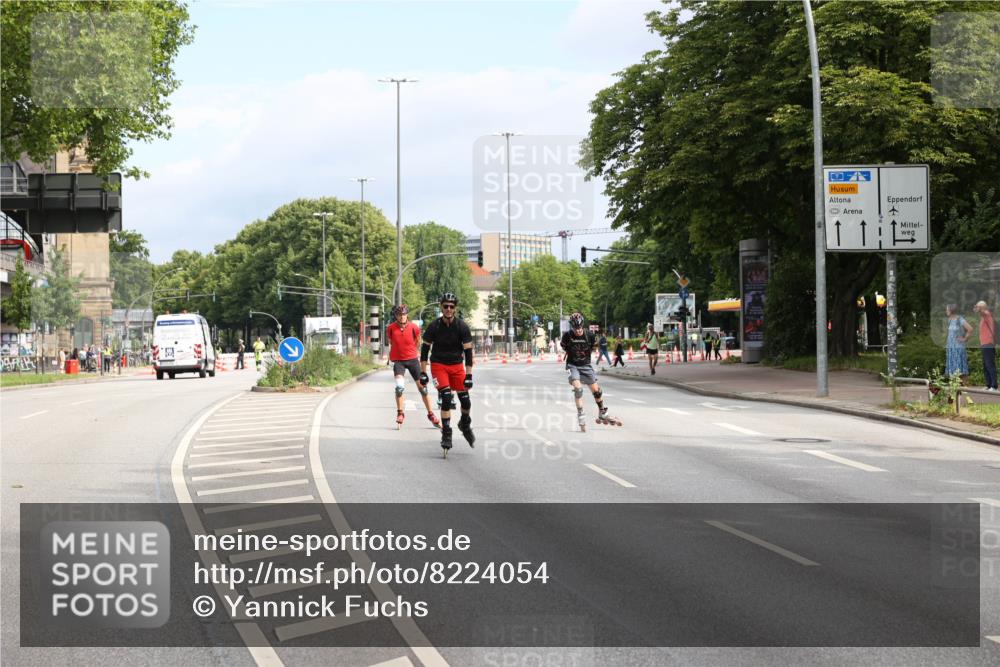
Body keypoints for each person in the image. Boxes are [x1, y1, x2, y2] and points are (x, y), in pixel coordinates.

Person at [420, 292, 475, 454]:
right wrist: (423, 372)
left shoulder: (462, 326)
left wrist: (469, 375)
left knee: (466, 401)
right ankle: (446, 432)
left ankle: (464, 422)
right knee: (445, 397)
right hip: (439, 365)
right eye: (446, 306)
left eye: (451, 306)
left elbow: (468, 353)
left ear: (455, 308)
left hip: (457, 366)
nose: (449, 309)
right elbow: (425, 350)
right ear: (441, 307)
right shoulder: (434, 326)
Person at [387, 304, 441, 429]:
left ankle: (431, 414)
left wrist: (411, 352)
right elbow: (391, 342)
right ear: (396, 316)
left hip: (412, 360)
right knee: (399, 388)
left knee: (423, 389)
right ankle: (400, 413)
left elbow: (417, 342)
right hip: (398, 361)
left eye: (404, 314)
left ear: (407, 315)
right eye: (399, 315)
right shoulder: (390, 328)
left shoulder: (414, 328)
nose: (402, 317)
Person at [562, 312, 618, 430]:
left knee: (597, 392)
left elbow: (594, 346)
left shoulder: (590, 335)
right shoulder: (567, 336)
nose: (578, 330)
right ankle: (581, 414)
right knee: (578, 389)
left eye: (579, 328)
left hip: (586, 365)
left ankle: (602, 412)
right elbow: (564, 347)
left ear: (582, 326)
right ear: (572, 327)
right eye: (575, 328)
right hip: (573, 365)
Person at [945, 304, 973, 383]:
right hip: (951, 347)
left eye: (947, 309)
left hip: (958, 347)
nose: (946, 311)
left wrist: (965, 339)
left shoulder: (960, 319)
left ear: (951, 310)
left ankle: (963, 385)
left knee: (960, 366)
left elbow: (970, 329)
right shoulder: (950, 320)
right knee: (953, 366)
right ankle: (954, 385)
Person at [975, 301, 997, 391]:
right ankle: (988, 384)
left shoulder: (987, 314)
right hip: (984, 344)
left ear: (982, 307)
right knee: (985, 365)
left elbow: (982, 312)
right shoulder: (983, 317)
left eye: (978, 307)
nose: (977, 308)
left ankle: (994, 386)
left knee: (990, 364)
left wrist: (979, 308)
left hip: (988, 343)